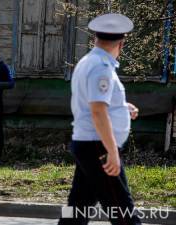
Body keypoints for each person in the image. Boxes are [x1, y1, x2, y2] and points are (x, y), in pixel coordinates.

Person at [58, 14, 141, 225]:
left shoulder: (89, 61)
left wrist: (122, 107)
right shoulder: (101, 67)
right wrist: (112, 152)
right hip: (98, 147)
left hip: (89, 145)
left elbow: (95, 103)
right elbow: (97, 111)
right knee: (123, 211)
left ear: (95, 38)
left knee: (76, 211)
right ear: (121, 44)